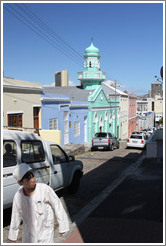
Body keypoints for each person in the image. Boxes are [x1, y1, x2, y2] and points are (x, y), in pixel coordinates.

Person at [8, 163, 69, 243]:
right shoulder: (18, 196)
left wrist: (63, 226)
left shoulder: (44, 189)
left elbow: (57, 205)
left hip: (45, 232)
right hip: (29, 235)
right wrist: (13, 234)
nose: (33, 180)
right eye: (28, 178)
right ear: (20, 183)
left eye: (32, 175)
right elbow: (16, 215)